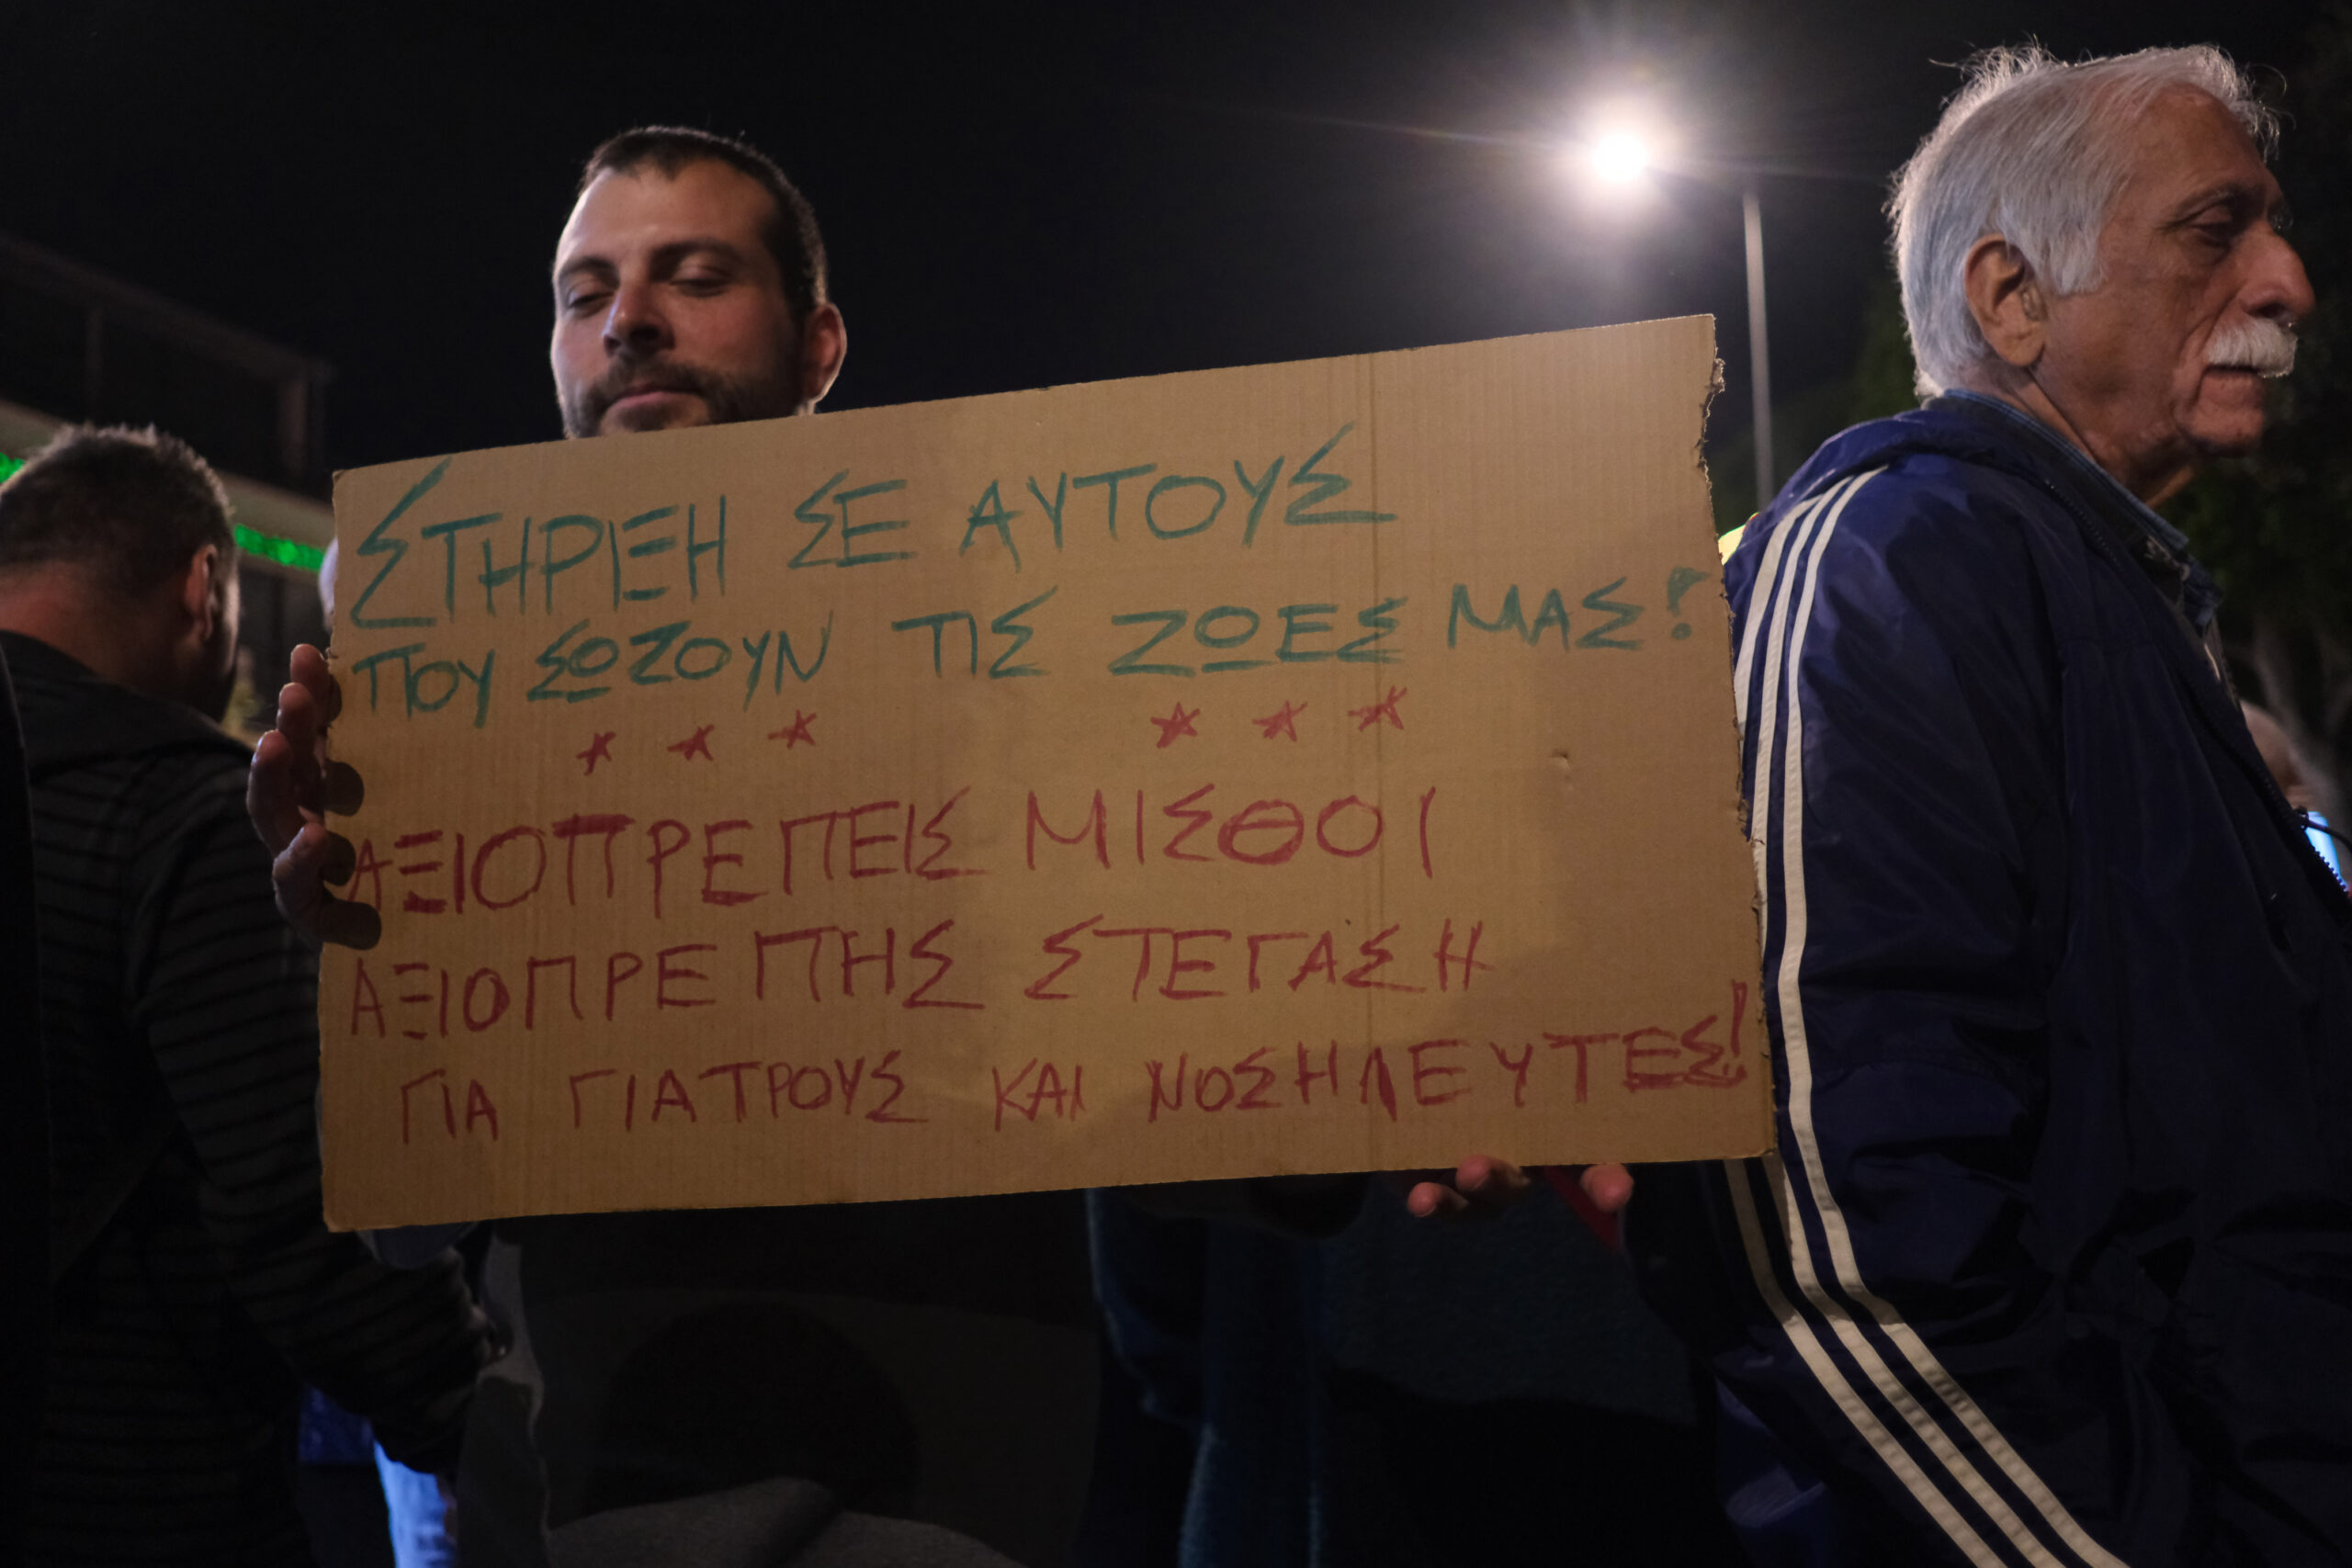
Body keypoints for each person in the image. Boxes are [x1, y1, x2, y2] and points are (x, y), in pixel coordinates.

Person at [254, 128, 1083, 1568]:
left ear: (820, 344)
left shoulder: (1023, 632)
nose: (628, 319)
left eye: (695, 278)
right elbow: (403, 1221)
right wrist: (359, 955)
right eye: (585, 294)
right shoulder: (448, 657)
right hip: (585, 1483)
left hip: (949, 1482)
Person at [1633, 44, 2352, 1564]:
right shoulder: (1891, 561)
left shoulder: (2099, 593)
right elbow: (1837, 1227)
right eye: (2215, 230)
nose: (2287, 282)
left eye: (2277, 228)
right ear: (2013, 297)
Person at [0, 425, 494, 1565]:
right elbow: (299, 1214)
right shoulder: (185, 814)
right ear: (203, 585)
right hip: (136, 1503)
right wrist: (481, 1428)